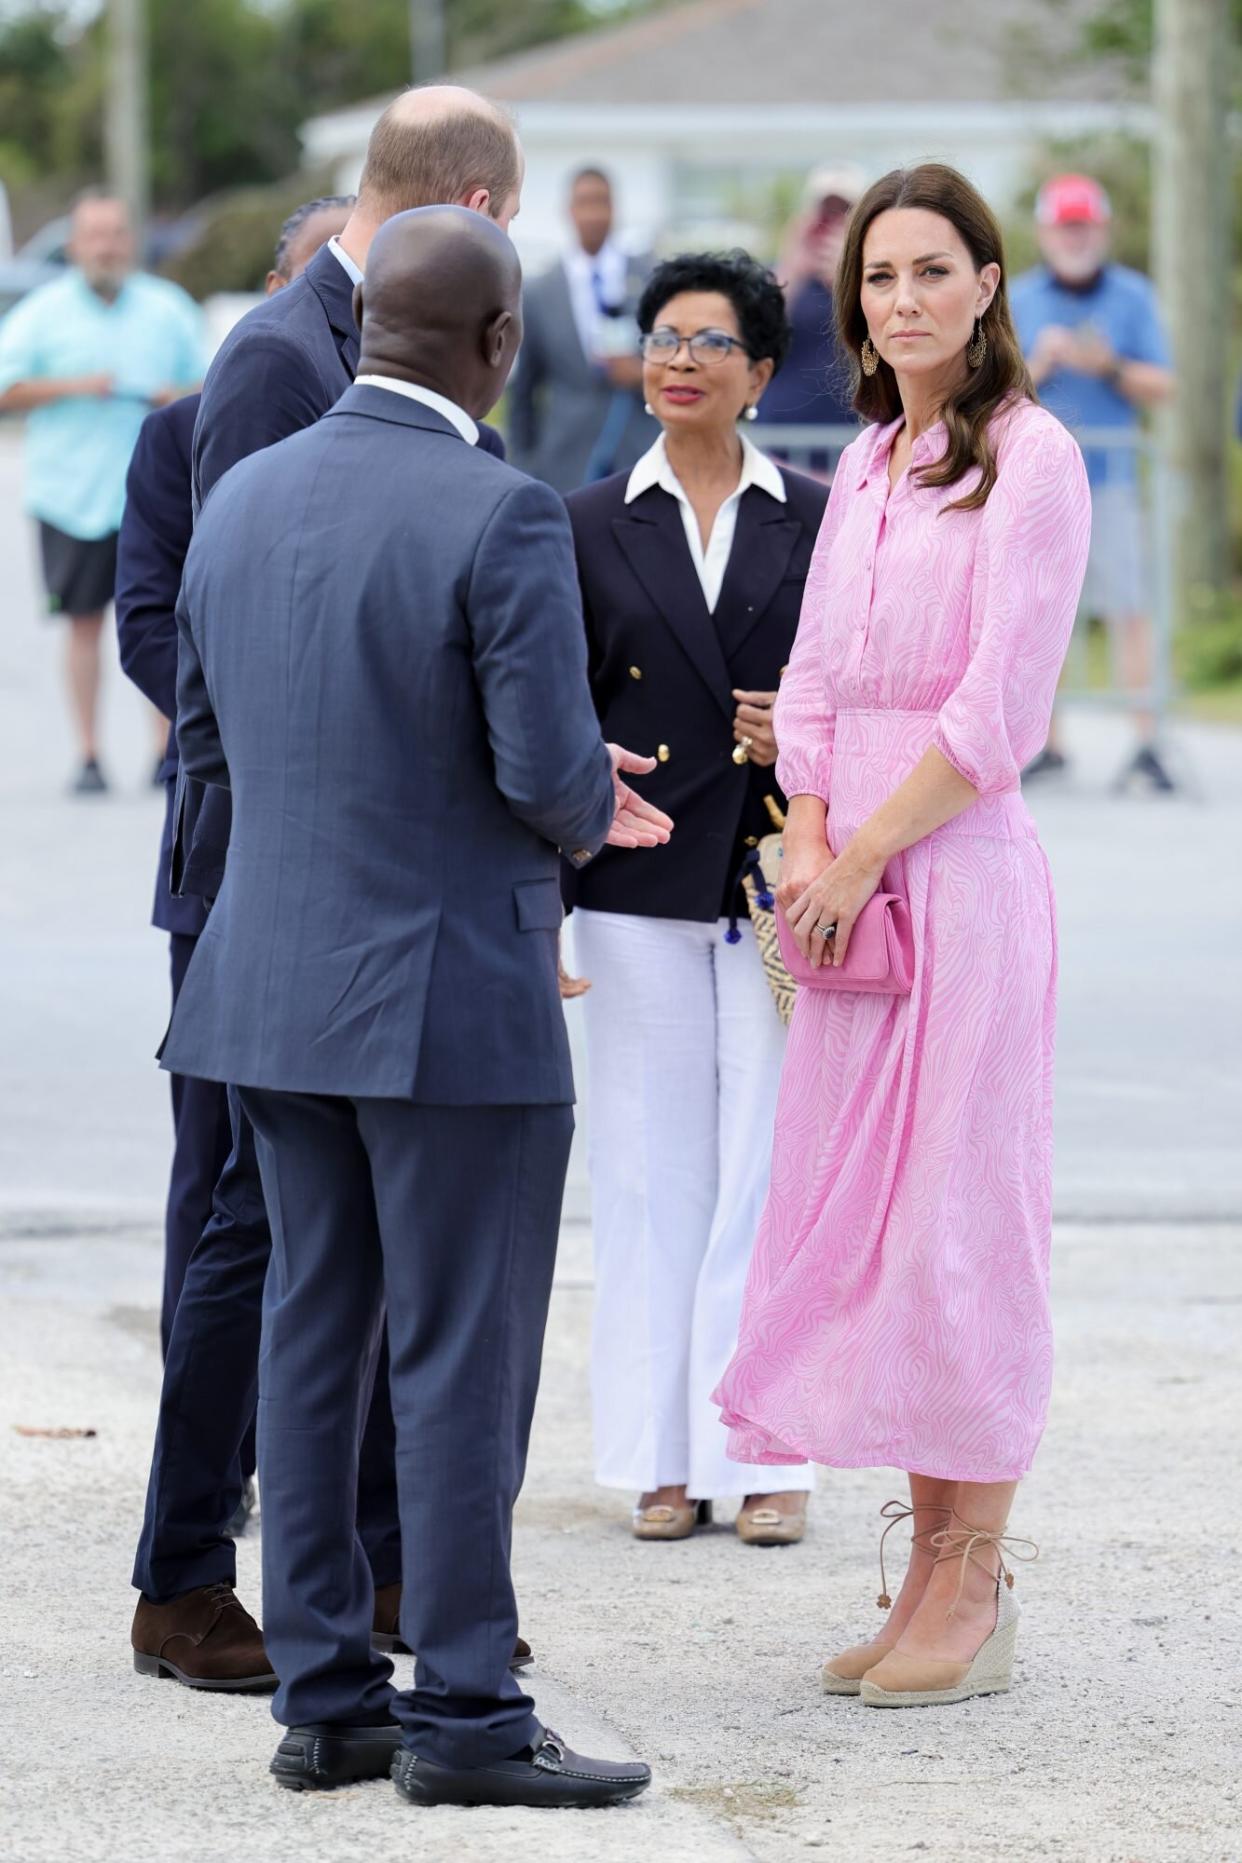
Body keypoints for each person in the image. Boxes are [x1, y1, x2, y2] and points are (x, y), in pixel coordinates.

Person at [163, 204, 667, 1808]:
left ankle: (324, 1700)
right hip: (451, 995)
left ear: (365, 319)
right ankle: (459, 1708)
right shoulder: (500, 509)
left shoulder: (238, 493)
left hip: (267, 984)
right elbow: (540, 772)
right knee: (459, 1354)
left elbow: (210, 741)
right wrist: (599, 797)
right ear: (501, 343)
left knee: (314, 1333)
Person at [129, 86, 525, 1692]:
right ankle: (183, 1572)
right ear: (480, 203)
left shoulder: (359, 336)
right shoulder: (286, 360)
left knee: (316, 1242)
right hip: (267, 887)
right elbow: (224, 636)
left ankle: (357, 1567)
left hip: (344, 885)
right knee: (249, 1236)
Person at [714, 163, 1090, 1709]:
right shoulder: (870, 459)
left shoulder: (1033, 456)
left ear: (988, 282)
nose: (903, 300)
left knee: (958, 1224)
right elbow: (807, 672)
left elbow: (998, 708)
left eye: (932, 270)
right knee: (866, 1226)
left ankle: (978, 1574)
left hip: (953, 877)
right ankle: (924, 1557)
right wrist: (806, 827)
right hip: (843, 889)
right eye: (878, 277)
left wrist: (861, 847)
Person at [563, 252, 827, 1545]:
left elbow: (871, 690)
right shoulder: (584, 518)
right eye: (662, 335)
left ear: (760, 372)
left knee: (772, 1170)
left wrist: (810, 732)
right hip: (632, 881)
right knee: (646, 1167)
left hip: (781, 880)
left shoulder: (823, 516)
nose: (677, 357)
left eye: (707, 340)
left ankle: (766, 1450)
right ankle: (659, 1454)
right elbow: (548, 711)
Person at [116, 195, 354, 1366]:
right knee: (213, 1161)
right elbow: (149, 624)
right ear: (279, 287)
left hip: (368, 870)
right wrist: (265, 732)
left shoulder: (445, 450)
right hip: (221, 851)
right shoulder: (177, 436)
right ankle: (205, 1441)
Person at [0, 189, 204, 792]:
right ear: (74, 245)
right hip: (72, 497)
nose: (105, 246)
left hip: (156, 499)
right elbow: (6, 387)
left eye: (115, 234)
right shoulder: (41, 313)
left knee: (165, 622)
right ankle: (89, 753)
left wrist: (175, 395)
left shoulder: (168, 308)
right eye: (94, 235)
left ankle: (164, 748)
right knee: (84, 625)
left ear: (131, 241)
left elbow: (212, 378)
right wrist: (72, 386)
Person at [1011, 173, 1175, 790]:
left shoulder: (1134, 295)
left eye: (1084, 226)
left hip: (1110, 483)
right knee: (1035, 613)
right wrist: (1042, 362)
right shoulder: (1018, 298)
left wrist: (1109, 364)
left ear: (1101, 230)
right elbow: (993, 388)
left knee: (1132, 608)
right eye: (1064, 226)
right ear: (1046, 233)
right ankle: (1046, 744)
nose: (1074, 237)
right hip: (1035, 486)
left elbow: (1165, 386)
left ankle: (1146, 738)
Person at [508, 166, 652, 491]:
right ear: (569, 211)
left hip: (639, 452)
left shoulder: (648, 279)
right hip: (566, 460)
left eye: (601, 202)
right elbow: (525, 390)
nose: (594, 214)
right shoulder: (541, 291)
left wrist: (642, 372)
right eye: (585, 203)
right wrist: (521, 467)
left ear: (615, 208)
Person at [761, 163, 864, 456]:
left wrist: (845, 280)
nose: (831, 222)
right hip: (780, 437)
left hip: (848, 435)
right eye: (825, 212)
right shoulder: (780, 275)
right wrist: (793, 266)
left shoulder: (874, 280)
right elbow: (757, 334)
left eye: (843, 212)